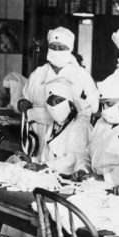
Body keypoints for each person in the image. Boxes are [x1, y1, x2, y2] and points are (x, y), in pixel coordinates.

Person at [0, 78, 92, 237]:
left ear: (70, 102)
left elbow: (73, 158)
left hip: (68, 182)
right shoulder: (53, 125)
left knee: (46, 218)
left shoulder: (80, 126)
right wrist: (32, 160)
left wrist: (44, 167)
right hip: (50, 179)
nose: (53, 105)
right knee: (22, 204)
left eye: (58, 100)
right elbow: (46, 155)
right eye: (50, 101)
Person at [19, 27, 98, 156]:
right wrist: (21, 103)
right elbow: (24, 98)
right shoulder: (38, 73)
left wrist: (73, 108)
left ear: (69, 49)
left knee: (60, 164)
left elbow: (93, 105)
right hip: (37, 130)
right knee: (35, 165)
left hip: (66, 132)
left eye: (61, 48)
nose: (56, 51)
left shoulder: (80, 74)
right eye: (53, 47)